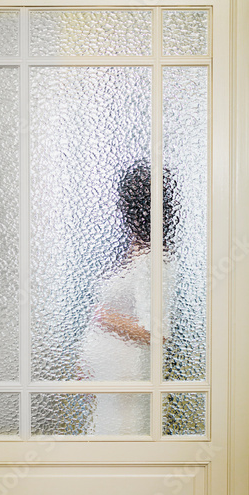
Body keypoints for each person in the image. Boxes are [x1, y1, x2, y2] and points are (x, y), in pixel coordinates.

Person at [78, 159, 176, 433]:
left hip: (127, 381)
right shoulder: (134, 251)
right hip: (110, 383)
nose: (122, 210)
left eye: (127, 202)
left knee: (123, 446)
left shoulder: (154, 260)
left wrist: (104, 318)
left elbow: (157, 331)